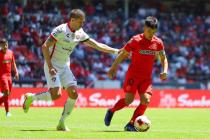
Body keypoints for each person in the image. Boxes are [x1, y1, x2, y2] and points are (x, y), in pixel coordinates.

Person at [22, 9, 119, 131]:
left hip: (64, 66)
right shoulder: (60, 30)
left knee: (74, 93)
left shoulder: (80, 33)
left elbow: (97, 45)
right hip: (52, 65)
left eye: (83, 22)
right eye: (80, 22)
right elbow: (45, 46)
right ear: (72, 20)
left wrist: (116, 51)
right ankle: (32, 98)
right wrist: (51, 67)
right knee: (56, 95)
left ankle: (61, 123)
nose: (82, 25)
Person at [104, 16, 168, 131]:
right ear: (144, 28)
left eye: (153, 32)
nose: (150, 34)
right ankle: (111, 110)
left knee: (146, 100)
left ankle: (131, 124)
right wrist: (113, 68)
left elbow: (163, 58)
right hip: (133, 75)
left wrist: (164, 70)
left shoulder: (158, 43)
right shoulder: (135, 40)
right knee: (129, 100)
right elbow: (123, 54)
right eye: (149, 31)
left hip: (146, 78)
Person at [0, 38, 19, 117]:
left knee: (7, 95)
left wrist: (16, 72)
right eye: (3, 45)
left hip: (9, 76)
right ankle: (8, 112)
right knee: (6, 92)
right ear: (0, 45)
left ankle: (7, 112)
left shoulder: (10, 53)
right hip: (2, 76)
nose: (5, 46)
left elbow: (13, 63)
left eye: (6, 44)